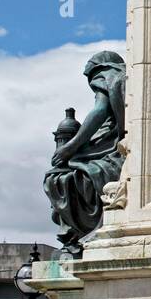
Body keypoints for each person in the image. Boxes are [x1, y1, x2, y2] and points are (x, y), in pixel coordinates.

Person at [43, 51, 126, 257]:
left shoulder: (108, 75)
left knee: (58, 178)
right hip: (113, 147)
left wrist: (70, 147)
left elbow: (100, 110)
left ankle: (71, 235)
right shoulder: (126, 78)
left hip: (112, 150)